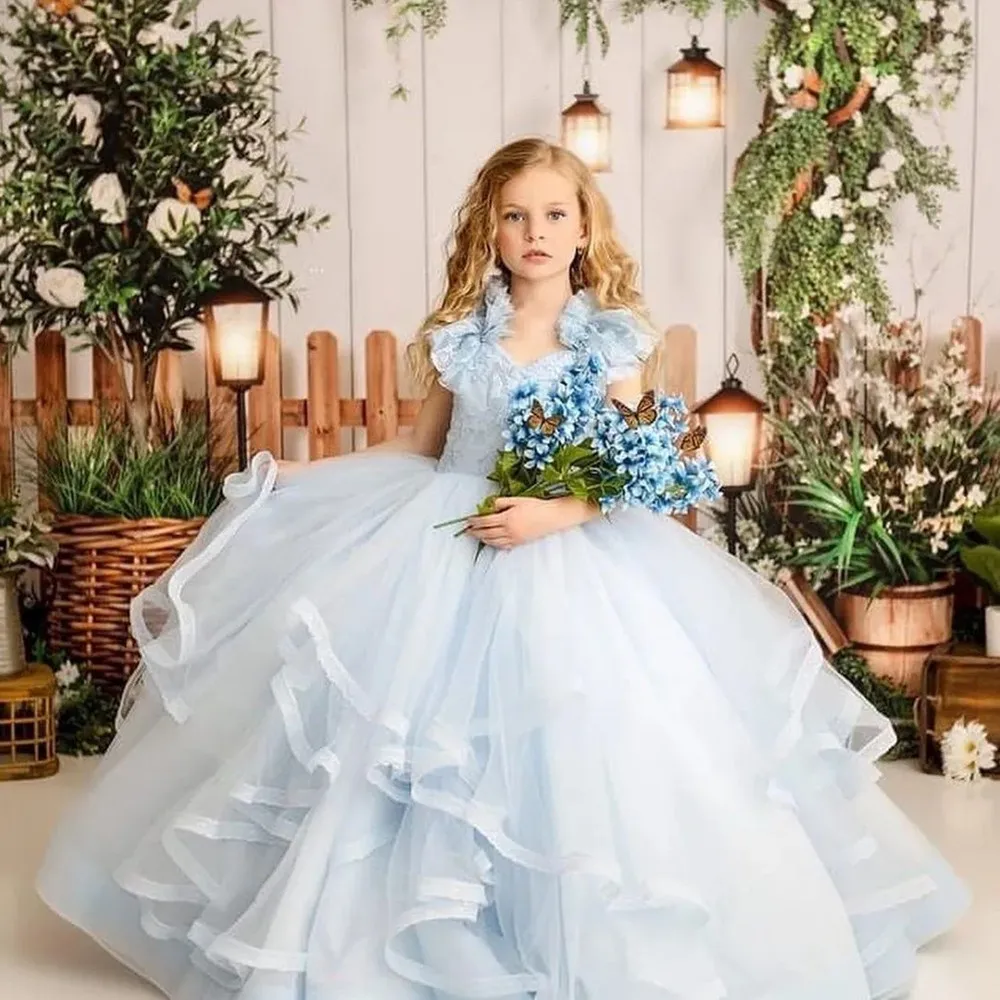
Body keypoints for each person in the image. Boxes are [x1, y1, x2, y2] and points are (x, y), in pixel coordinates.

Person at [36, 137, 969, 1000]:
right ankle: (415, 927)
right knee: (402, 740)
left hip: (574, 559)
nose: (535, 233)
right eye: (516, 216)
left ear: (584, 227)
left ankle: (575, 926)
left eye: (555, 215)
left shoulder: (607, 339)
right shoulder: (463, 336)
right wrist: (299, 477)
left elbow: (636, 469)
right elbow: (424, 448)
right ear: (489, 228)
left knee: (580, 736)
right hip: (443, 542)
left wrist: (557, 513)